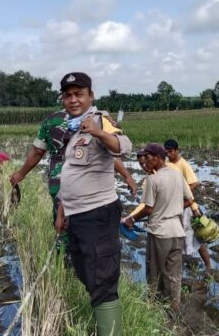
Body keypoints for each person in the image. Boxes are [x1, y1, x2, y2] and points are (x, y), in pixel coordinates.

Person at [53, 72, 132, 336]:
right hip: (77, 215)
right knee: (85, 271)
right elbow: (71, 174)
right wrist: (62, 211)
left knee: (101, 277)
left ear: (90, 96)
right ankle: (104, 326)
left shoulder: (100, 119)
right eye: (68, 95)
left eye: (79, 94)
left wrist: (97, 131)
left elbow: (124, 146)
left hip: (97, 213)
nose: (73, 99)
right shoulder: (71, 129)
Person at [9, 96, 136, 250]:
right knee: (91, 230)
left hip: (61, 182)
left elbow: (37, 151)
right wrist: (127, 175)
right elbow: (109, 153)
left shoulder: (52, 120)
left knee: (62, 227)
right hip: (91, 186)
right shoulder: (97, 119)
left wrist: (21, 173)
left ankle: (65, 261)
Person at [123, 143, 196, 312]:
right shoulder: (177, 175)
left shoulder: (153, 180)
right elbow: (190, 199)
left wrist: (131, 219)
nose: (145, 162)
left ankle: (152, 307)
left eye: (148, 158)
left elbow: (148, 208)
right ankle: (174, 307)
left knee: (154, 271)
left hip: (159, 232)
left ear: (157, 158)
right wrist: (174, 208)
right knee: (173, 273)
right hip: (177, 231)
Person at [163, 139, 212, 271]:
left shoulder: (182, 164)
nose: (168, 154)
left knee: (197, 237)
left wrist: (181, 194)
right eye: (166, 151)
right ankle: (176, 266)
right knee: (176, 236)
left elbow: (194, 183)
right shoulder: (166, 163)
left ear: (177, 150)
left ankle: (208, 267)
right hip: (174, 205)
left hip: (187, 206)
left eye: (170, 151)